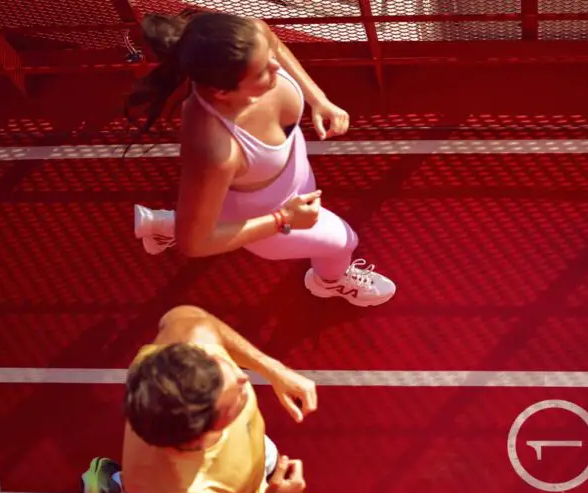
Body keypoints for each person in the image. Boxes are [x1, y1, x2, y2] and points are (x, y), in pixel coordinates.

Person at [125, 11, 396, 308]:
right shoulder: (215, 148)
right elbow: (195, 244)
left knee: (205, 217)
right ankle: (328, 282)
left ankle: (163, 226)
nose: (276, 67)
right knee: (344, 241)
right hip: (270, 215)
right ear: (221, 91)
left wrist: (319, 100)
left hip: (292, 183)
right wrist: (284, 220)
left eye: (267, 57)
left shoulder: (249, 38)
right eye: (262, 73)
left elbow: (274, 44)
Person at [80, 304, 350, 493]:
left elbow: (199, 320)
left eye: (220, 366)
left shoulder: (183, 343)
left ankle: (114, 481)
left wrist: (274, 369)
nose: (242, 377)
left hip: (239, 452)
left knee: (153, 479)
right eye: (236, 397)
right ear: (200, 436)